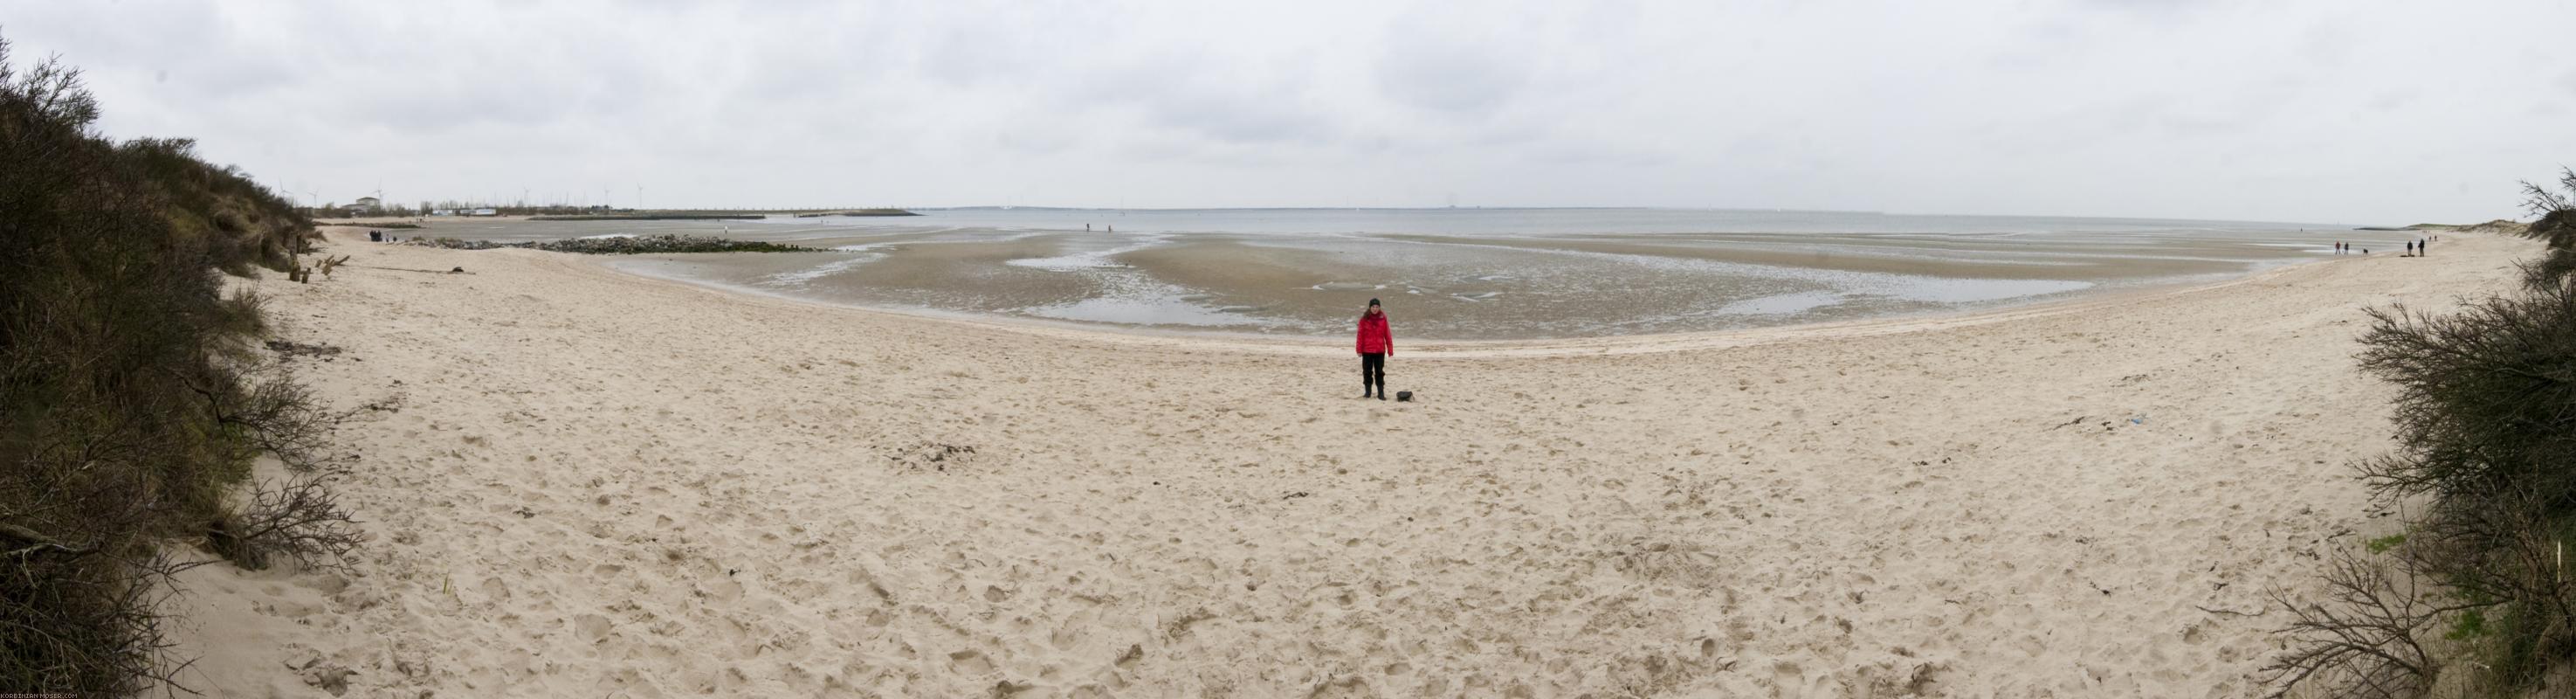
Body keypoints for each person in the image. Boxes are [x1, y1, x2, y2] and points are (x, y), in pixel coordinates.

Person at [1355, 298, 1393, 399]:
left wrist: (1390, 349)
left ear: (1379, 307)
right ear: (1370, 307)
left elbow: (1387, 334)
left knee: (1379, 372)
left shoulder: (1383, 318)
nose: (1375, 309)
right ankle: (1368, 392)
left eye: (1377, 307)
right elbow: (1360, 335)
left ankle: (1381, 393)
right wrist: (1358, 350)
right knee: (1367, 372)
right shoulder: (1364, 319)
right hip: (1367, 350)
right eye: (1373, 307)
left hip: (1380, 350)